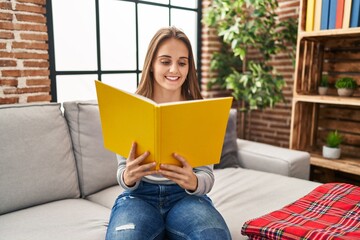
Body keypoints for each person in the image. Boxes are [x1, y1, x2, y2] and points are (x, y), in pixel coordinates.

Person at [105, 26, 231, 240]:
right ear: (151, 65)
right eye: (165, 61)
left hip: (186, 198)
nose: (174, 69)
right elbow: (122, 172)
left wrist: (193, 182)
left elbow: (207, 176)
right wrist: (128, 176)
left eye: (182, 62)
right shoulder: (130, 107)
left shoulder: (201, 111)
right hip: (138, 197)